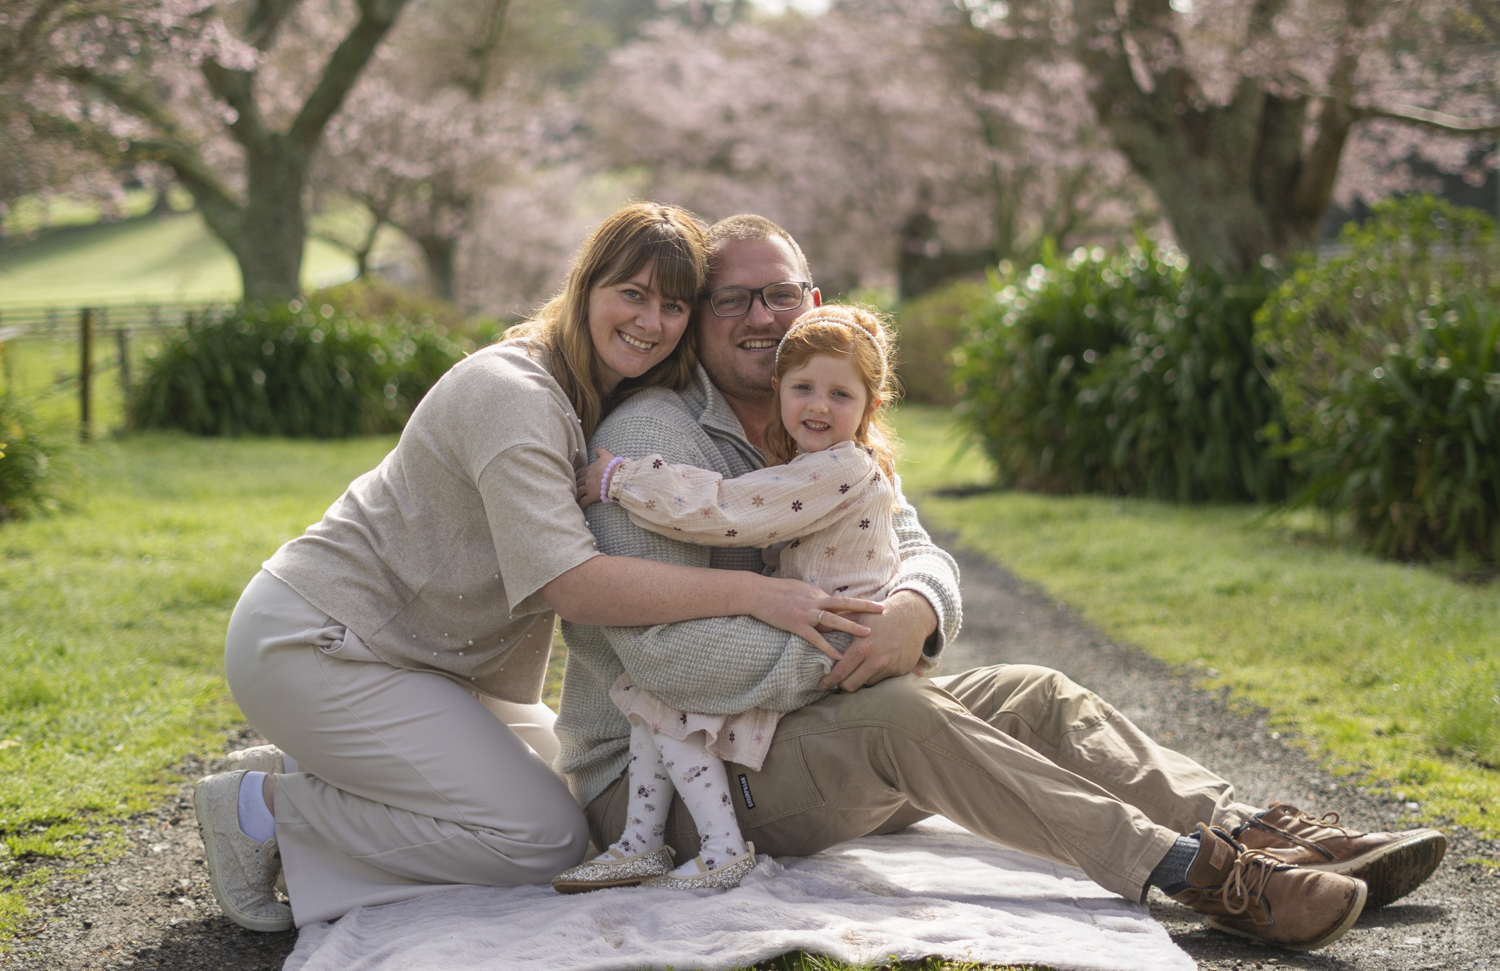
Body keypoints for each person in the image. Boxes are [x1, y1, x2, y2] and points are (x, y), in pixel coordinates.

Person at [552, 214, 1448, 951]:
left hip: (795, 734)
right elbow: (664, 656)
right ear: (699, 317)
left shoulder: (821, 419)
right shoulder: (651, 440)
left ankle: (1260, 832)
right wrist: (856, 652)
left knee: (1034, 692)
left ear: (812, 303)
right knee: (903, 714)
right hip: (677, 782)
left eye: (779, 293)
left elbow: (914, 545)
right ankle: (1202, 877)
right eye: (731, 298)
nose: (759, 314)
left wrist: (916, 609)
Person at [191, 203, 884, 933]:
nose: (651, 321)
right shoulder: (513, 395)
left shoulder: (610, 392)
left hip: (432, 662)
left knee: (575, 817)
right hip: (325, 642)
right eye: (632, 294)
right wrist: (758, 594)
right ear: (586, 285)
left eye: (674, 304)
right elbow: (574, 586)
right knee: (540, 840)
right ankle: (264, 811)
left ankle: (320, 769)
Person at [552, 304, 903, 891]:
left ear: (871, 405)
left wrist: (623, 480)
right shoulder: (819, 461)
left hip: (836, 636)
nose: (818, 405)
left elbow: (727, 511)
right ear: (779, 389)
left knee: (666, 690)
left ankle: (718, 848)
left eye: (839, 395)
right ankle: (639, 843)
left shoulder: (840, 468)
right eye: (803, 388)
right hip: (825, 625)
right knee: (654, 694)